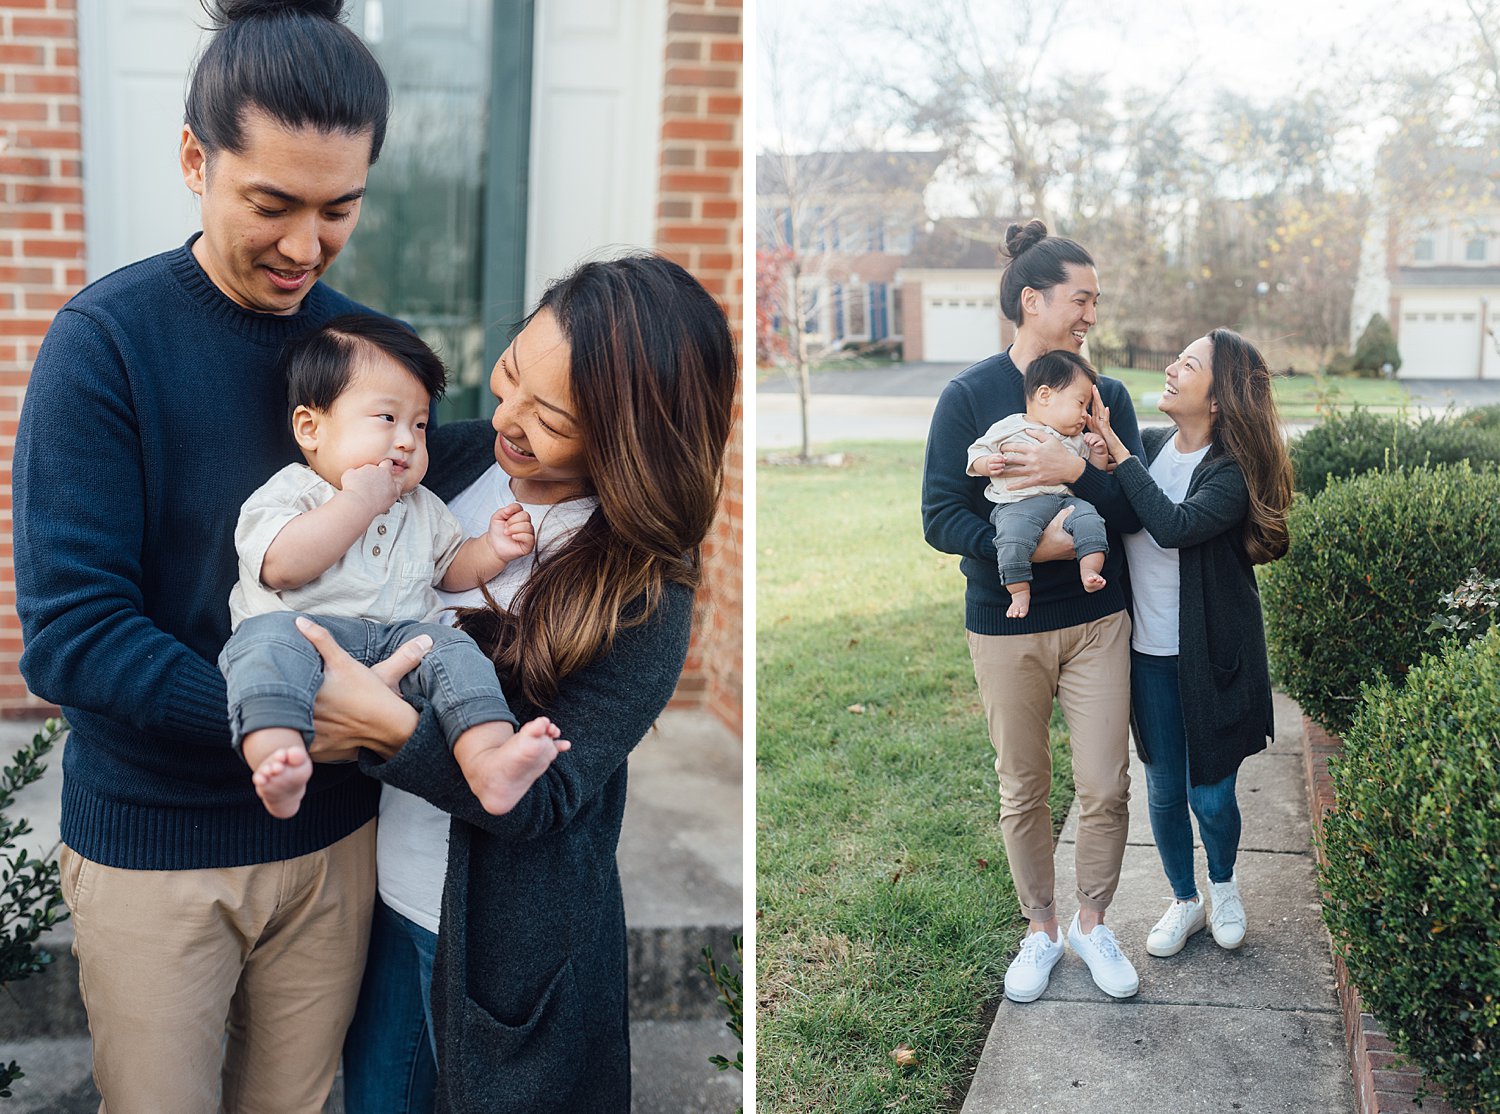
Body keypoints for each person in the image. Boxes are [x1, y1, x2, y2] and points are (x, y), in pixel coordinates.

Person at [13, 2, 396, 1107]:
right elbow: (75, 637)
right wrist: (282, 713)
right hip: (157, 845)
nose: (303, 246)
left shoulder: (361, 355)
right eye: (270, 203)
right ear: (195, 159)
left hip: (333, 840)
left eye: (339, 209)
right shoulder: (105, 344)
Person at [309, 253, 738, 1114]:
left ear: (629, 436)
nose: (506, 417)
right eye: (509, 377)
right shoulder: (452, 461)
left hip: (501, 948)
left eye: (550, 417)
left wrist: (385, 729)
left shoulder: (643, 589)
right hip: (381, 897)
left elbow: (547, 799)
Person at [222, 315, 569, 819]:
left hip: (399, 643)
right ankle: (278, 757)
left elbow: (450, 568)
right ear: (310, 427)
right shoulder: (293, 493)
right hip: (299, 636)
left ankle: (489, 759)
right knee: (261, 647)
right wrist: (357, 504)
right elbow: (282, 567)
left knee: (455, 648)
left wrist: (491, 549)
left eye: (420, 424)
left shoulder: (423, 507)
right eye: (387, 419)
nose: (407, 440)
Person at [922, 218, 1145, 1004]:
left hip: (1096, 623)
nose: (1092, 313)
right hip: (1006, 624)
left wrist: (1071, 473)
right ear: (1032, 300)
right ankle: (1042, 929)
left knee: (1106, 785)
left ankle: (1093, 921)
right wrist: (1022, 546)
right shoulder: (969, 395)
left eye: (1095, 300)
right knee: (1023, 788)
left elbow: (1136, 505)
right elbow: (939, 516)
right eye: (1082, 299)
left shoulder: (1107, 396)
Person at [1085, 329, 1293, 958]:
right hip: (1146, 655)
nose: (1172, 368)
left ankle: (1224, 885)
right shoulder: (1148, 447)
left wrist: (1118, 458)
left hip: (1212, 659)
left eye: (1190, 363)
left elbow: (1172, 527)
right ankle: (1185, 900)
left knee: (1211, 792)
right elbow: (1111, 507)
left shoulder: (1227, 473)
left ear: (1219, 398)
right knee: (1165, 790)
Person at [967, 349, 1111, 619]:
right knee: (1012, 537)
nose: (1084, 415)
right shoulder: (1009, 427)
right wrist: (987, 464)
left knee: (1090, 519)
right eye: (1080, 404)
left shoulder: (1077, 439)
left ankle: (1089, 570)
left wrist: (1098, 454)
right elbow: (976, 452)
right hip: (1018, 504)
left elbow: (1093, 477)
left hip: (1065, 502)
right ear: (1045, 395)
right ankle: (1019, 591)